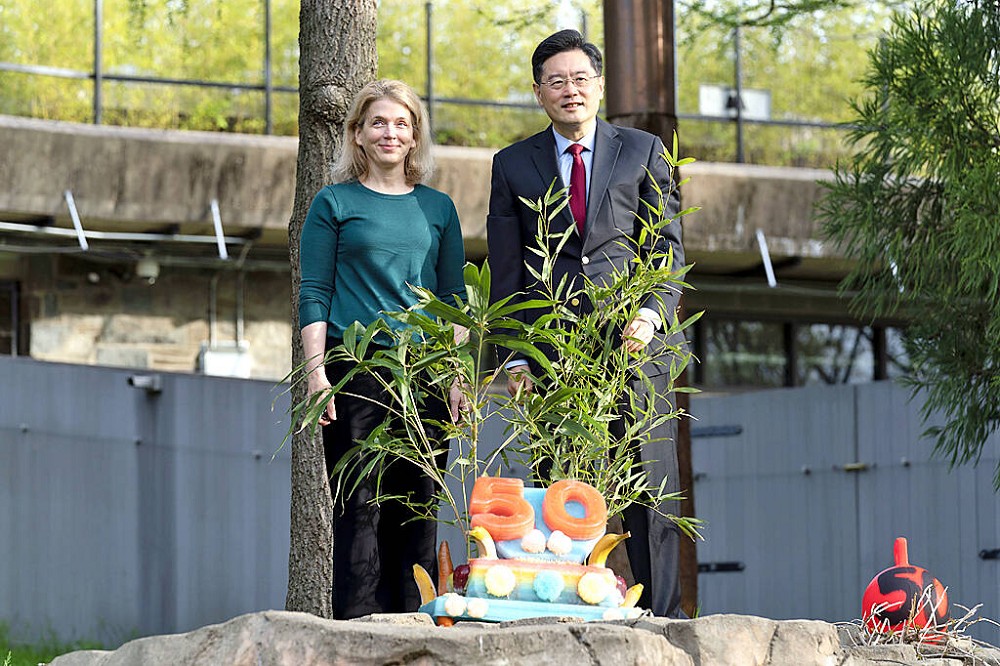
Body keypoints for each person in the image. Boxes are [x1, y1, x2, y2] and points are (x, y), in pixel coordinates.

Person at [486, 30, 686, 618]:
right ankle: (562, 609)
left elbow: (667, 248)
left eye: (580, 79)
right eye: (556, 81)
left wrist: (650, 315)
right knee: (560, 485)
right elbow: (506, 271)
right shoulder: (511, 164)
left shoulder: (644, 151)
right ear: (538, 93)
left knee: (649, 478)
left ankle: (667, 619)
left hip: (634, 344)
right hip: (554, 352)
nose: (570, 91)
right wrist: (515, 356)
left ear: (599, 85)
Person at [298, 79, 468, 619]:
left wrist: (458, 375)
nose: (390, 132)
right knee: (359, 507)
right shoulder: (335, 202)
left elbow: (453, 298)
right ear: (357, 134)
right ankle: (357, 631)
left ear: (415, 135)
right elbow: (314, 292)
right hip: (358, 372)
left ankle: (416, 627)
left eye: (401, 123)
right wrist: (316, 374)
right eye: (378, 122)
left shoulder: (438, 208)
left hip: (426, 375)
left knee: (419, 508)